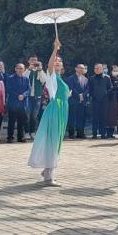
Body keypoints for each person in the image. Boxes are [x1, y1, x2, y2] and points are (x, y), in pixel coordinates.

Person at [28, 38, 69, 187]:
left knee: (56, 141)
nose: (57, 63)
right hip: (55, 110)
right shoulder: (52, 77)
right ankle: (49, 175)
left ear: (63, 66)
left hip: (62, 111)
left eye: (60, 62)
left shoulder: (61, 79)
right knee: (52, 140)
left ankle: (47, 170)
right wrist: (55, 49)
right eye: (56, 61)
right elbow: (50, 65)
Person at [6, 63, 30, 143]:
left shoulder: (26, 79)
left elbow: (28, 89)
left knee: (21, 121)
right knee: (11, 121)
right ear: (15, 69)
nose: (20, 70)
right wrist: (17, 96)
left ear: (24, 70)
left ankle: (20, 137)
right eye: (18, 68)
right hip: (13, 103)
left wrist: (23, 95)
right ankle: (10, 137)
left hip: (23, 103)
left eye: (21, 68)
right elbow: (9, 89)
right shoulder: (10, 78)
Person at [24, 55, 46, 141]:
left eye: (35, 60)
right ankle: (26, 132)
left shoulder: (40, 71)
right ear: (28, 61)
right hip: (28, 96)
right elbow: (24, 77)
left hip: (37, 96)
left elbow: (44, 80)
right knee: (27, 115)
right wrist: (29, 69)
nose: (33, 62)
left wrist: (40, 69)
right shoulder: (27, 70)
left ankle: (33, 131)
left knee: (34, 115)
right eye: (32, 60)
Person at [89, 63, 112, 139]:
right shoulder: (91, 78)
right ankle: (94, 134)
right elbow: (90, 89)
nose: (96, 70)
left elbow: (110, 88)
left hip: (104, 100)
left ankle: (103, 134)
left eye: (98, 68)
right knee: (95, 117)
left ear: (102, 69)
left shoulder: (107, 78)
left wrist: (105, 94)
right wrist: (93, 95)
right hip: (95, 100)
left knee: (103, 117)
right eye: (95, 68)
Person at [66, 64, 89, 139]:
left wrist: (83, 95)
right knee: (72, 118)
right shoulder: (70, 78)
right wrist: (78, 95)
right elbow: (71, 88)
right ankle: (71, 133)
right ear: (76, 69)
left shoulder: (85, 79)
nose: (81, 70)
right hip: (73, 100)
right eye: (80, 68)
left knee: (81, 118)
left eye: (83, 68)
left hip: (82, 101)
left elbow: (87, 89)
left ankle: (80, 133)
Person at [106, 65, 118, 138]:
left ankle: (112, 133)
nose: (116, 72)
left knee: (114, 117)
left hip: (116, 99)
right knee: (108, 116)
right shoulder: (108, 78)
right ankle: (107, 133)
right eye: (114, 70)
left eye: (117, 70)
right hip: (109, 99)